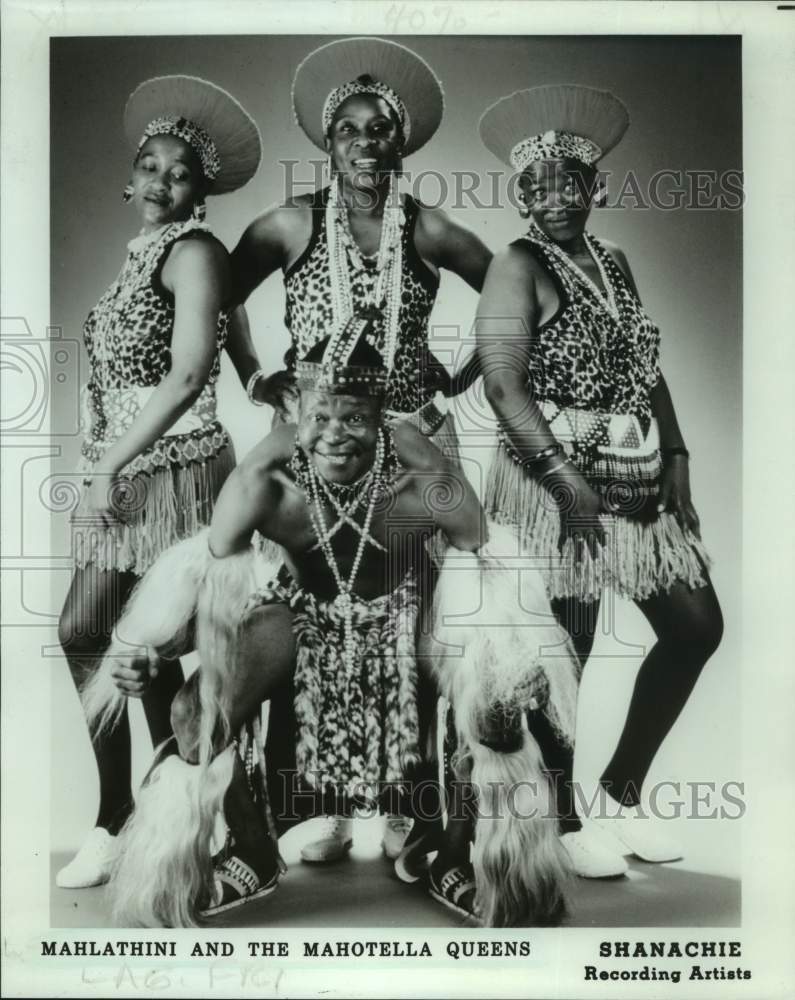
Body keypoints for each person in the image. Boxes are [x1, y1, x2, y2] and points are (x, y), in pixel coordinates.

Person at [87, 316, 580, 927]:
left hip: (410, 613)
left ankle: (457, 856)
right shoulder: (266, 481)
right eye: (320, 417)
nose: (336, 436)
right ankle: (252, 849)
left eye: (355, 419)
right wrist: (149, 654)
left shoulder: (423, 477)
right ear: (299, 409)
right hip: (302, 613)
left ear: (383, 414)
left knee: (498, 705)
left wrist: (519, 655)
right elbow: (202, 587)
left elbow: (488, 569)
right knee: (195, 713)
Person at [230, 36, 493, 862]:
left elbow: (518, 294)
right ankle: (316, 802)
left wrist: (466, 374)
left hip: (409, 440)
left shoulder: (433, 229)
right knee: (309, 607)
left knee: (412, 620)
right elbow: (210, 298)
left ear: (401, 143)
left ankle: (413, 811)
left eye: (380, 128)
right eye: (348, 127)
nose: (365, 141)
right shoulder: (287, 223)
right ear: (326, 140)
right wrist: (256, 374)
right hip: (322, 442)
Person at [476, 85, 723, 878]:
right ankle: (560, 816)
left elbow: (646, 372)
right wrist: (562, 484)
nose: (553, 195)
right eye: (537, 184)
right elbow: (500, 384)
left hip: (638, 476)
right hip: (559, 483)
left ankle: (619, 797)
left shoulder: (614, 263)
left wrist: (678, 457)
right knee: (568, 649)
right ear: (520, 197)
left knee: (695, 628)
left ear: (595, 189)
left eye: (568, 181)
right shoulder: (517, 264)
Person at [56, 75, 263, 890]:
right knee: (97, 638)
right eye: (152, 164)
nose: (164, 179)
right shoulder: (140, 257)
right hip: (132, 469)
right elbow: (224, 323)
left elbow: (184, 374)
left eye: (182, 171)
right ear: (130, 178)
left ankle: (198, 820)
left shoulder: (196, 250)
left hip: (180, 471)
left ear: (202, 192)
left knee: (160, 644)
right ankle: (126, 814)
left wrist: (108, 462)